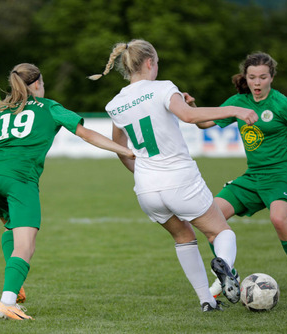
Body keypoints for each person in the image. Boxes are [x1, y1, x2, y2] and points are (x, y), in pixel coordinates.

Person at [88, 39, 258, 312]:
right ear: (149, 63)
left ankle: (206, 301)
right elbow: (190, 117)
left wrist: (142, 172)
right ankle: (225, 268)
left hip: (146, 188)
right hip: (180, 180)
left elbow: (121, 148)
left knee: (183, 238)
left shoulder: (116, 103)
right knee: (220, 232)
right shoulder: (164, 88)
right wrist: (235, 109)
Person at [0, 63, 134, 320]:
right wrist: (126, 150)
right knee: (26, 246)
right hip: (19, 180)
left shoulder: (1, 111)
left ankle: (15, 286)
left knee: (11, 227)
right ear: (38, 83)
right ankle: (6, 303)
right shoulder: (50, 107)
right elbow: (86, 134)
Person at [193, 52, 287, 303]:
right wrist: (191, 108)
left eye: (263, 77)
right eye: (252, 77)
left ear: (271, 77)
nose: (257, 82)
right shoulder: (238, 102)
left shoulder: (282, 104)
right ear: (246, 77)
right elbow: (204, 124)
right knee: (210, 217)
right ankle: (228, 275)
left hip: (282, 175)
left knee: (278, 218)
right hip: (253, 176)